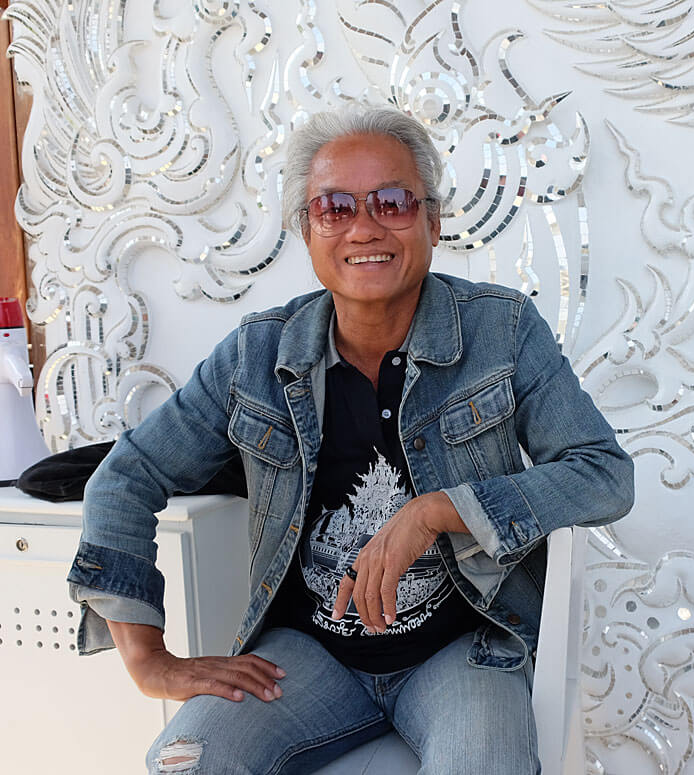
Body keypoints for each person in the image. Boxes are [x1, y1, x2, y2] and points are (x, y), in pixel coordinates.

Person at [67, 105, 634, 774]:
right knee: (185, 762)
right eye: (334, 207)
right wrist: (148, 659)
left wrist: (439, 510)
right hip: (308, 657)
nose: (365, 226)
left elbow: (604, 474)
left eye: (392, 202)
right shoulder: (256, 355)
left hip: (461, 651)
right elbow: (126, 476)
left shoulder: (502, 333)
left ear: (432, 220)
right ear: (305, 229)